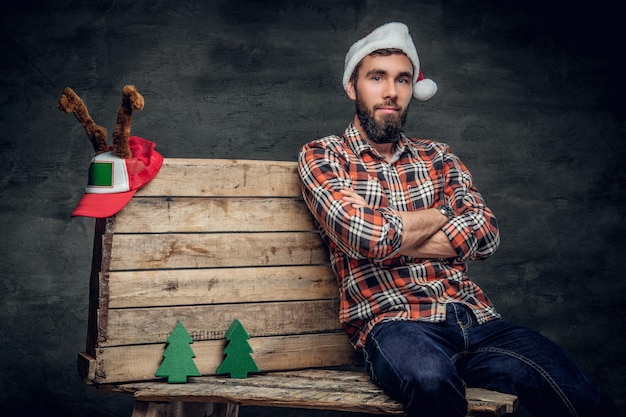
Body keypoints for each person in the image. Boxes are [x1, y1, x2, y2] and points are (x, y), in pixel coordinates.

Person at [297, 22, 617, 417]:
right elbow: (367, 236)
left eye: (402, 79)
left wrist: (397, 232)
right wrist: (446, 214)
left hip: (474, 320)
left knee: (570, 386)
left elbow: (486, 233)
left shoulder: (439, 156)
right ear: (352, 86)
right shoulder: (324, 155)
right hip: (396, 324)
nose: (391, 92)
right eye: (376, 78)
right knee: (429, 379)